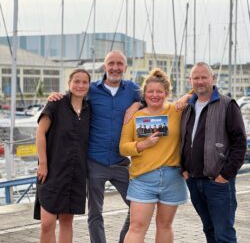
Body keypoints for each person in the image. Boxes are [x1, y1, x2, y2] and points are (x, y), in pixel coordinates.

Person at [47, 50, 141, 243]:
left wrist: (137, 104)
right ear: (104, 66)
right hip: (94, 162)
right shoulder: (91, 89)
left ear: (125, 67)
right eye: (111, 63)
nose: (115, 67)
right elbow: (73, 95)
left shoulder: (133, 90)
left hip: (121, 162)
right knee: (95, 212)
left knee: (137, 208)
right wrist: (54, 95)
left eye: (119, 64)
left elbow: (156, 95)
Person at [119, 68, 188, 243]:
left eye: (159, 91)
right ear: (144, 94)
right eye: (150, 91)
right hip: (143, 178)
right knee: (136, 228)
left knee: (165, 226)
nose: (155, 95)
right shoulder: (134, 116)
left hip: (173, 177)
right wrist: (143, 144)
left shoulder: (177, 111)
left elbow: (199, 88)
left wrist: (186, 97)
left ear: (166, 93)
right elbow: (123, 148)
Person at [180, 62, 247, 243]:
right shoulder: (187, 107)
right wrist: (183, 170)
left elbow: (240, 144)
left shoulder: (227, 104)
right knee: (209, 230)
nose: (200, 81)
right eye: (196, 77)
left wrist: (224, 175)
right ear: (190, 80)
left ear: (213, 79)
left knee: (223, 234)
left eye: (204, 77)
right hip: (193, 181)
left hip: (218, 183)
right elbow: (182, 140)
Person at [34, 68, 91, 243]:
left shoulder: (90, 109)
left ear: (89, 85)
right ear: (69, 83)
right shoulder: (56, 104)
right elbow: (40, 133)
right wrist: (43, 163)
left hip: (76, 174)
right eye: (77, 81)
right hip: (52, 172)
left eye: (84, 82)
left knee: (67, 222)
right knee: (47, 223)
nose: (80, 85)